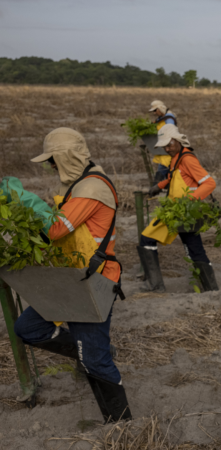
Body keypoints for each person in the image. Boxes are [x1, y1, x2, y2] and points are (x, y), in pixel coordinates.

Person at [12, 128, 132, 423]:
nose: (51, 166)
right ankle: (93, 351)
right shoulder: (80, 185)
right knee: (28, 328)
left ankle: (123, 427)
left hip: (94, 280)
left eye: (52, 160)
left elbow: (56, 229)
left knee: (95, 361)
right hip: (72, 276)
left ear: (66, 158)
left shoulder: (92, 188)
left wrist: (27, 200)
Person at [138, 124, 219, 293]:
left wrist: (188, 201)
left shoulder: (188, 159)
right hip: (177, 211)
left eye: (169, 145)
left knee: (147, 239)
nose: (167, 149)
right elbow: (172, 176)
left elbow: (210, 183)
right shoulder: (176, 157)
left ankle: (155, 285)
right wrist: (158, 186)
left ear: (178, 141)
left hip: (184, 211)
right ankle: (211, 289)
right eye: (164, 146)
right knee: (194, 248)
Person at [149, 100, 177, 183]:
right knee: (168, 172)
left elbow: (170, 131)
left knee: (162, 169)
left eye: (155, 110)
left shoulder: (169, 118)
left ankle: (155, 188)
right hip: (164, 147)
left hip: (169, 147)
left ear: (160, 109)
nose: (154, 113)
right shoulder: (161, 118)